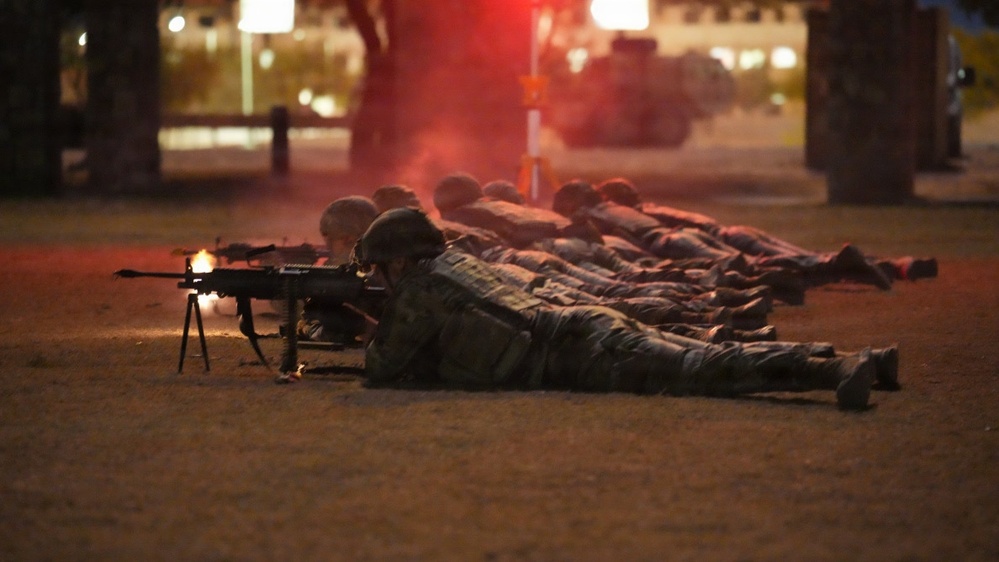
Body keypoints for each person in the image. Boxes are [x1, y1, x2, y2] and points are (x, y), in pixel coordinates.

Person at [358, 207, 898, 410]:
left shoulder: (417, 291)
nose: (380, 279)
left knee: (703, 370)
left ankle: (837, 367)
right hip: (585, 326)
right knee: (710, 351)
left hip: (580, 350)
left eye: (379, 270)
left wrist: (363, 323)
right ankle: (863, 357)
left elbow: (381, 370)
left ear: (398, 263)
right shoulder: (456, 265)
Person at [596, 177, 937, 282]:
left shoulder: (632, 219)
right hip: (735, 230)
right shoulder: (652, 208)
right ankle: (896, 266)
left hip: (726, 240)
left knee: (795, 264)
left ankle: (848, 267)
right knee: (805, 256)